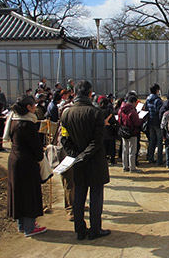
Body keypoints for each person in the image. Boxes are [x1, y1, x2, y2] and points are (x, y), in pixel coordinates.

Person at [60, 80, 111, 240]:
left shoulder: (66, 114)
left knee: (79, 195)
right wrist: (85, 155)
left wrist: (76, 155)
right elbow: (97, 140)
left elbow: (64, 139)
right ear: (90, 94)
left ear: (75, 94)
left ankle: (80, 229)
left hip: (78, 162)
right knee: (96, 197)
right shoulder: (95, 113)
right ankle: (95, 229)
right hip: (95, 161)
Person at [5, 95, 46, 237]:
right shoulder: (27, 124)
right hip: (27, 162)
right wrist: (41, 157)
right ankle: (30, 227)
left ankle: (22, 225)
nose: (35, 107)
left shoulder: (13, 120)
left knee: (19, 193)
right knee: (29, 193)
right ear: (28, 107)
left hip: (14, 159)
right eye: (33, 105)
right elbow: (36, 147)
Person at [119, 95, 143, 172]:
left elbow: (119, 121)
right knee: (132, 151)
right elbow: (137, 123)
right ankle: (132, 167)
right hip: (132, 132)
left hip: (124, 132)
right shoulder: (132, 112)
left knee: (124, 150)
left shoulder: (121, 110)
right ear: (133, 102)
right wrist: (141, 120)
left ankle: (125, 166)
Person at [145, 83, 164, 164]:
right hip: (157, 122)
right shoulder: (158, 100)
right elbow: (159, 112)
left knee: (152, 140)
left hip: (150, 122)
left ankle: (150, 157)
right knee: (159, 141)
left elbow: (146, 110)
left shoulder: (147, 99)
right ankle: (159, 160)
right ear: (157, 90)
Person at [99, 96, 117, 165]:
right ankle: (112, 160)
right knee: (112, 147)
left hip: (102, 132)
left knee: (103, 147)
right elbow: (113, 120)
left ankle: (103, 160)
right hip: (110, 131)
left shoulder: (98, 111)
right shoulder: (109, 111)